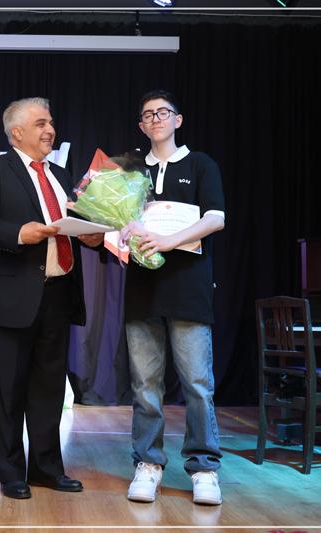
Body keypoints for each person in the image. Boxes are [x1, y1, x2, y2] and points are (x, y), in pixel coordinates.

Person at [0, 97, 104, 500]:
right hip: (10, 296)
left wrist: (92, 237)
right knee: (7, 390)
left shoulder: (60, 174)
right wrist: (18, 234)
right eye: (41, 123)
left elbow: (74, 227)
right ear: (16, 132)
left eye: (51, 122)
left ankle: (46, 469)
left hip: (58, 293)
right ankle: (10, 473)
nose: (50, 130)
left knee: (48, 389)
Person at [121, 89, 226, 506]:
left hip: (189, 288)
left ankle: (204, 467)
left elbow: (216, 218)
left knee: (198, 384)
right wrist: (120, 230)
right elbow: (115, 220)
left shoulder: (200, 164)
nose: (156, 119)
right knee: (145, 384)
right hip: (142, 290)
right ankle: (148, 463)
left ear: (177, 120)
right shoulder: (130, 171)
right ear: (141, 125)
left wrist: (168, 240)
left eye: (163, 112)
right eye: (148, 115)